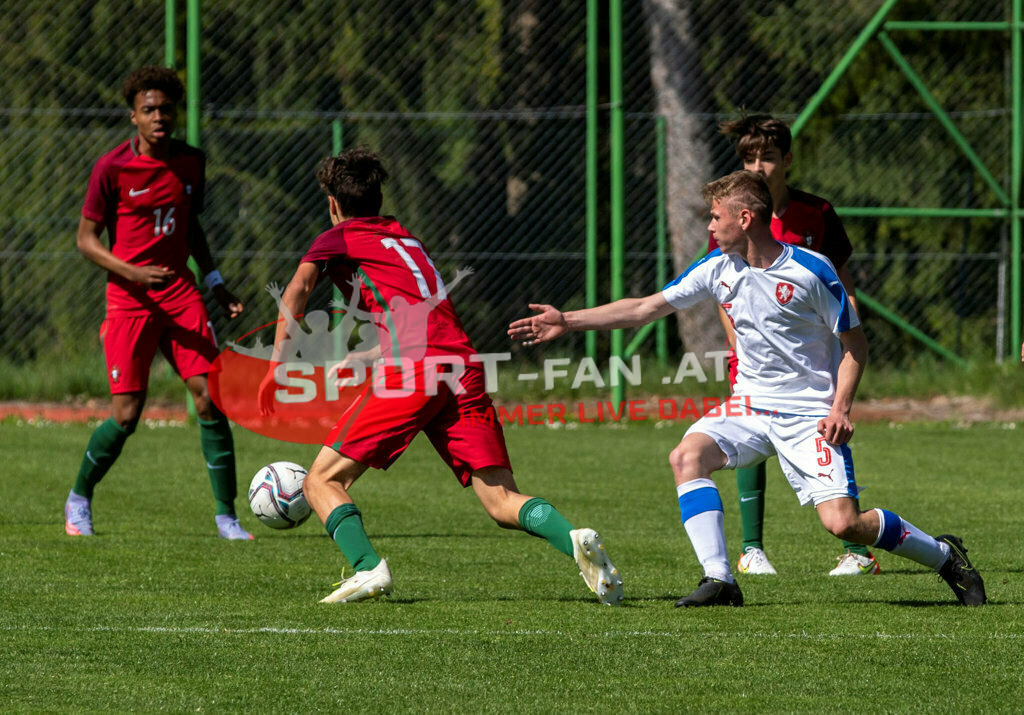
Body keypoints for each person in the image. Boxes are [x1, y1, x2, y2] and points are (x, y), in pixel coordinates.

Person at [509, 170, 986, 608]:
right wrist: (568, 320)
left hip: (809, 414)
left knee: (845, 524)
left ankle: (945, 556)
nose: (710, 226)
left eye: (716, 217)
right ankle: (720, 579)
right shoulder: (718, 267)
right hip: (749, 406)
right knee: (686, 457)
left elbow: (855, 346)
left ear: (745, 218)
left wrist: (840, 409)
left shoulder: (811, 271)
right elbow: (644, 308)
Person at [258, 147, 623, 605]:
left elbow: (297, 289)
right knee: (500, 501)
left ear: (333, 204)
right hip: (461, 367)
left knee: (321, 482)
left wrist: (276, 366)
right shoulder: (406, 240)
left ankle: (367, 568)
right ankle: (573, 537)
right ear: (378, 198)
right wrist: (370, 353)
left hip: (414, 371)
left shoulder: (340, 236)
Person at [64, 66, 251, 540]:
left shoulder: (191, 162)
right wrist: (132, 272)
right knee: (127, 415)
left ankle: (226, 517)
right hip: (129, 300)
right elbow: (86, 240)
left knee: (210, 398)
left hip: (182, 295)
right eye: (149, 110)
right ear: (134, 116)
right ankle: (79, 498)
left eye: (166, 109)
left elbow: (191, 226)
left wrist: (215, 282)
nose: (159, 117)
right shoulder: (111, 168)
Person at [709, 114, 874, 577]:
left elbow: (840, 277)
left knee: (829, 430)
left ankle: (858, 549)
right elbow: (722, 286)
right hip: (754, 355)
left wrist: (849, 328)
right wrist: (736, 343)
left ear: (787, 160)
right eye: (748, 158)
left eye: (766, 157)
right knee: (746, 432)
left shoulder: (815, 213)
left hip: (813, 353)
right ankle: (752, 549)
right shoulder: (731, 215)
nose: (757, 167)